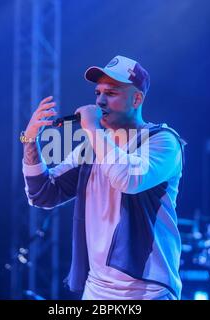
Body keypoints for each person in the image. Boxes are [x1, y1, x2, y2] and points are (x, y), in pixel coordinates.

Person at [20, 55, 186, 300]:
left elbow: (128, 179)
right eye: (98, 93)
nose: (100, 101)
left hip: (148, 292)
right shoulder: (92, 146)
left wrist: (93, 129)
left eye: (111, 93)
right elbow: (42, 194)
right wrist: (30, 139)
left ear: (137, 99)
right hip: (97, 290)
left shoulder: (162, 141)